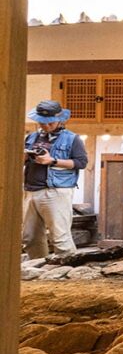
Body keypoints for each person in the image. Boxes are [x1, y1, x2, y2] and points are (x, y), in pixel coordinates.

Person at [22, 100, 89, 259]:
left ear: (60, 120)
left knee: (60, 237)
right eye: (42, 122)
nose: (45, 125)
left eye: (49, 122)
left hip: (56, 191)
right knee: (30, 237)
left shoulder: (72, 139)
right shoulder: (31, 137)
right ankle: (39, 268)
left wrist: (52, 161)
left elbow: (81, 163)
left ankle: (67, 270)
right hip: (31, 191)